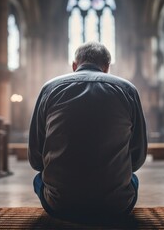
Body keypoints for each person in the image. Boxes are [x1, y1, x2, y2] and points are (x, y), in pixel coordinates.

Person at [28, 41, 147, 221]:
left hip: (59, 204)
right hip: (116, 205)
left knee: (39, 178)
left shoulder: (50, 89)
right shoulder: (127, 90)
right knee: (132, 179)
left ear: (74, 66)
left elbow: (36, 159)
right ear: (107, 67)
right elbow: (138, 158)